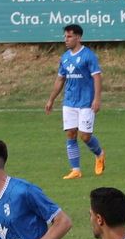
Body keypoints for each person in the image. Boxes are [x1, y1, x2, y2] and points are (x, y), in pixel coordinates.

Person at [44, 24, 105, 180]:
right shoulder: (65, 57)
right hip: (69, 101)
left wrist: (97, 99)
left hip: (86, 101)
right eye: (65, 36)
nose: (66, 39)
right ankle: (76, 170)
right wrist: (51, 99)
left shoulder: (88, 56)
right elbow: (60, 79)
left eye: (69, 36)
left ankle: (99, 154)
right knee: (71, 134)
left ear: (78, 37)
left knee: (85, 136)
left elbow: (97, 77)